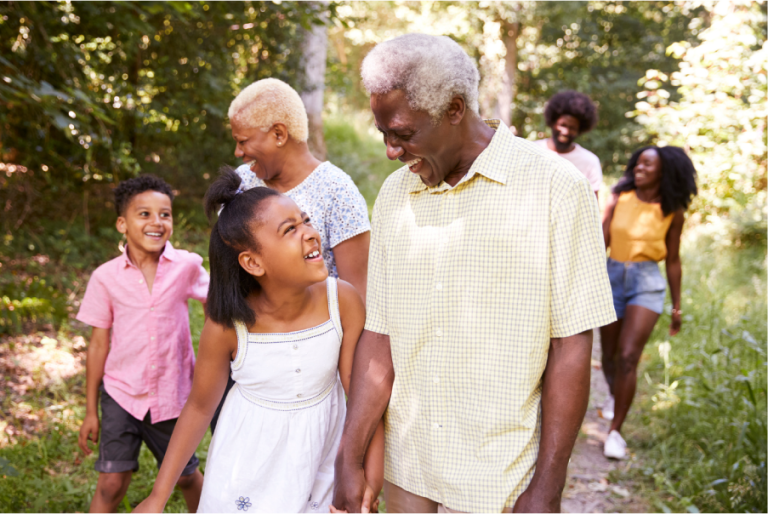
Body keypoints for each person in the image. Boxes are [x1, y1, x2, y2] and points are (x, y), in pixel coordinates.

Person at [331, 34, 616, 514]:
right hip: (408, 465)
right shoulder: (395, 196)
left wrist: (547, 486)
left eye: (402, 133)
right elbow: (380, 335)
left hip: (501, 475)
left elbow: (571, 346)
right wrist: (349, 456)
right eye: (383, 133)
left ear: (455, 110)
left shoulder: (555, 189)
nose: (390, 151)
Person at [133, 169, 383, 513]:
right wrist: (158, 495)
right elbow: (200, 406)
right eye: (290, 229)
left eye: (305, 220)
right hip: (246, 464)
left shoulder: (342, 301)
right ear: (253, 262)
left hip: (321, 462)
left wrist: (369, 474)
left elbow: (360, 395)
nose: (310, 234)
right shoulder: (227, 326)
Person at [210, 77, 374, 433]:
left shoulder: (337, 191)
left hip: (311, 364)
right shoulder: (242, 185)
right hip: (249, 353)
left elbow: (357, 294)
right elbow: (225, 273)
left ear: (279, 134)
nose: (238, 152)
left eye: (243, 141)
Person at [76, 175, 208, 513]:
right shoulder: (105, 277)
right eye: (144, 214)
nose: (156, 222)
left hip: (171, 395)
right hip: (121, 394)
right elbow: (97, 345)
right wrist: (91, 410)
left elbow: (217, 309)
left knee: (185, 476)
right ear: (122, 224)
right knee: (110, 483)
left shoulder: (187, 266)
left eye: (165, 214)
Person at [599, 146, 697, 460]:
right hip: (612, 277)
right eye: (638, 162)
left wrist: (677, 307)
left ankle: (615, 431)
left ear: (663, 171)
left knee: (628, 357)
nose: (638, 167)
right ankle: (615, 396)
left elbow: (673, 260)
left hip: (647, 283)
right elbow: (602, 238)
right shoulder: (620, 196)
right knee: (610, 356)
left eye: (647, 164)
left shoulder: (673, 210)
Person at [536, 90, 602, 200]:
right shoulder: (533, 150)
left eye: (572, 128)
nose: (566, 132)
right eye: (562, 125)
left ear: (579, 130)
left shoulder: (589, 161)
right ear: (552, 123)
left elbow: (592, 204)